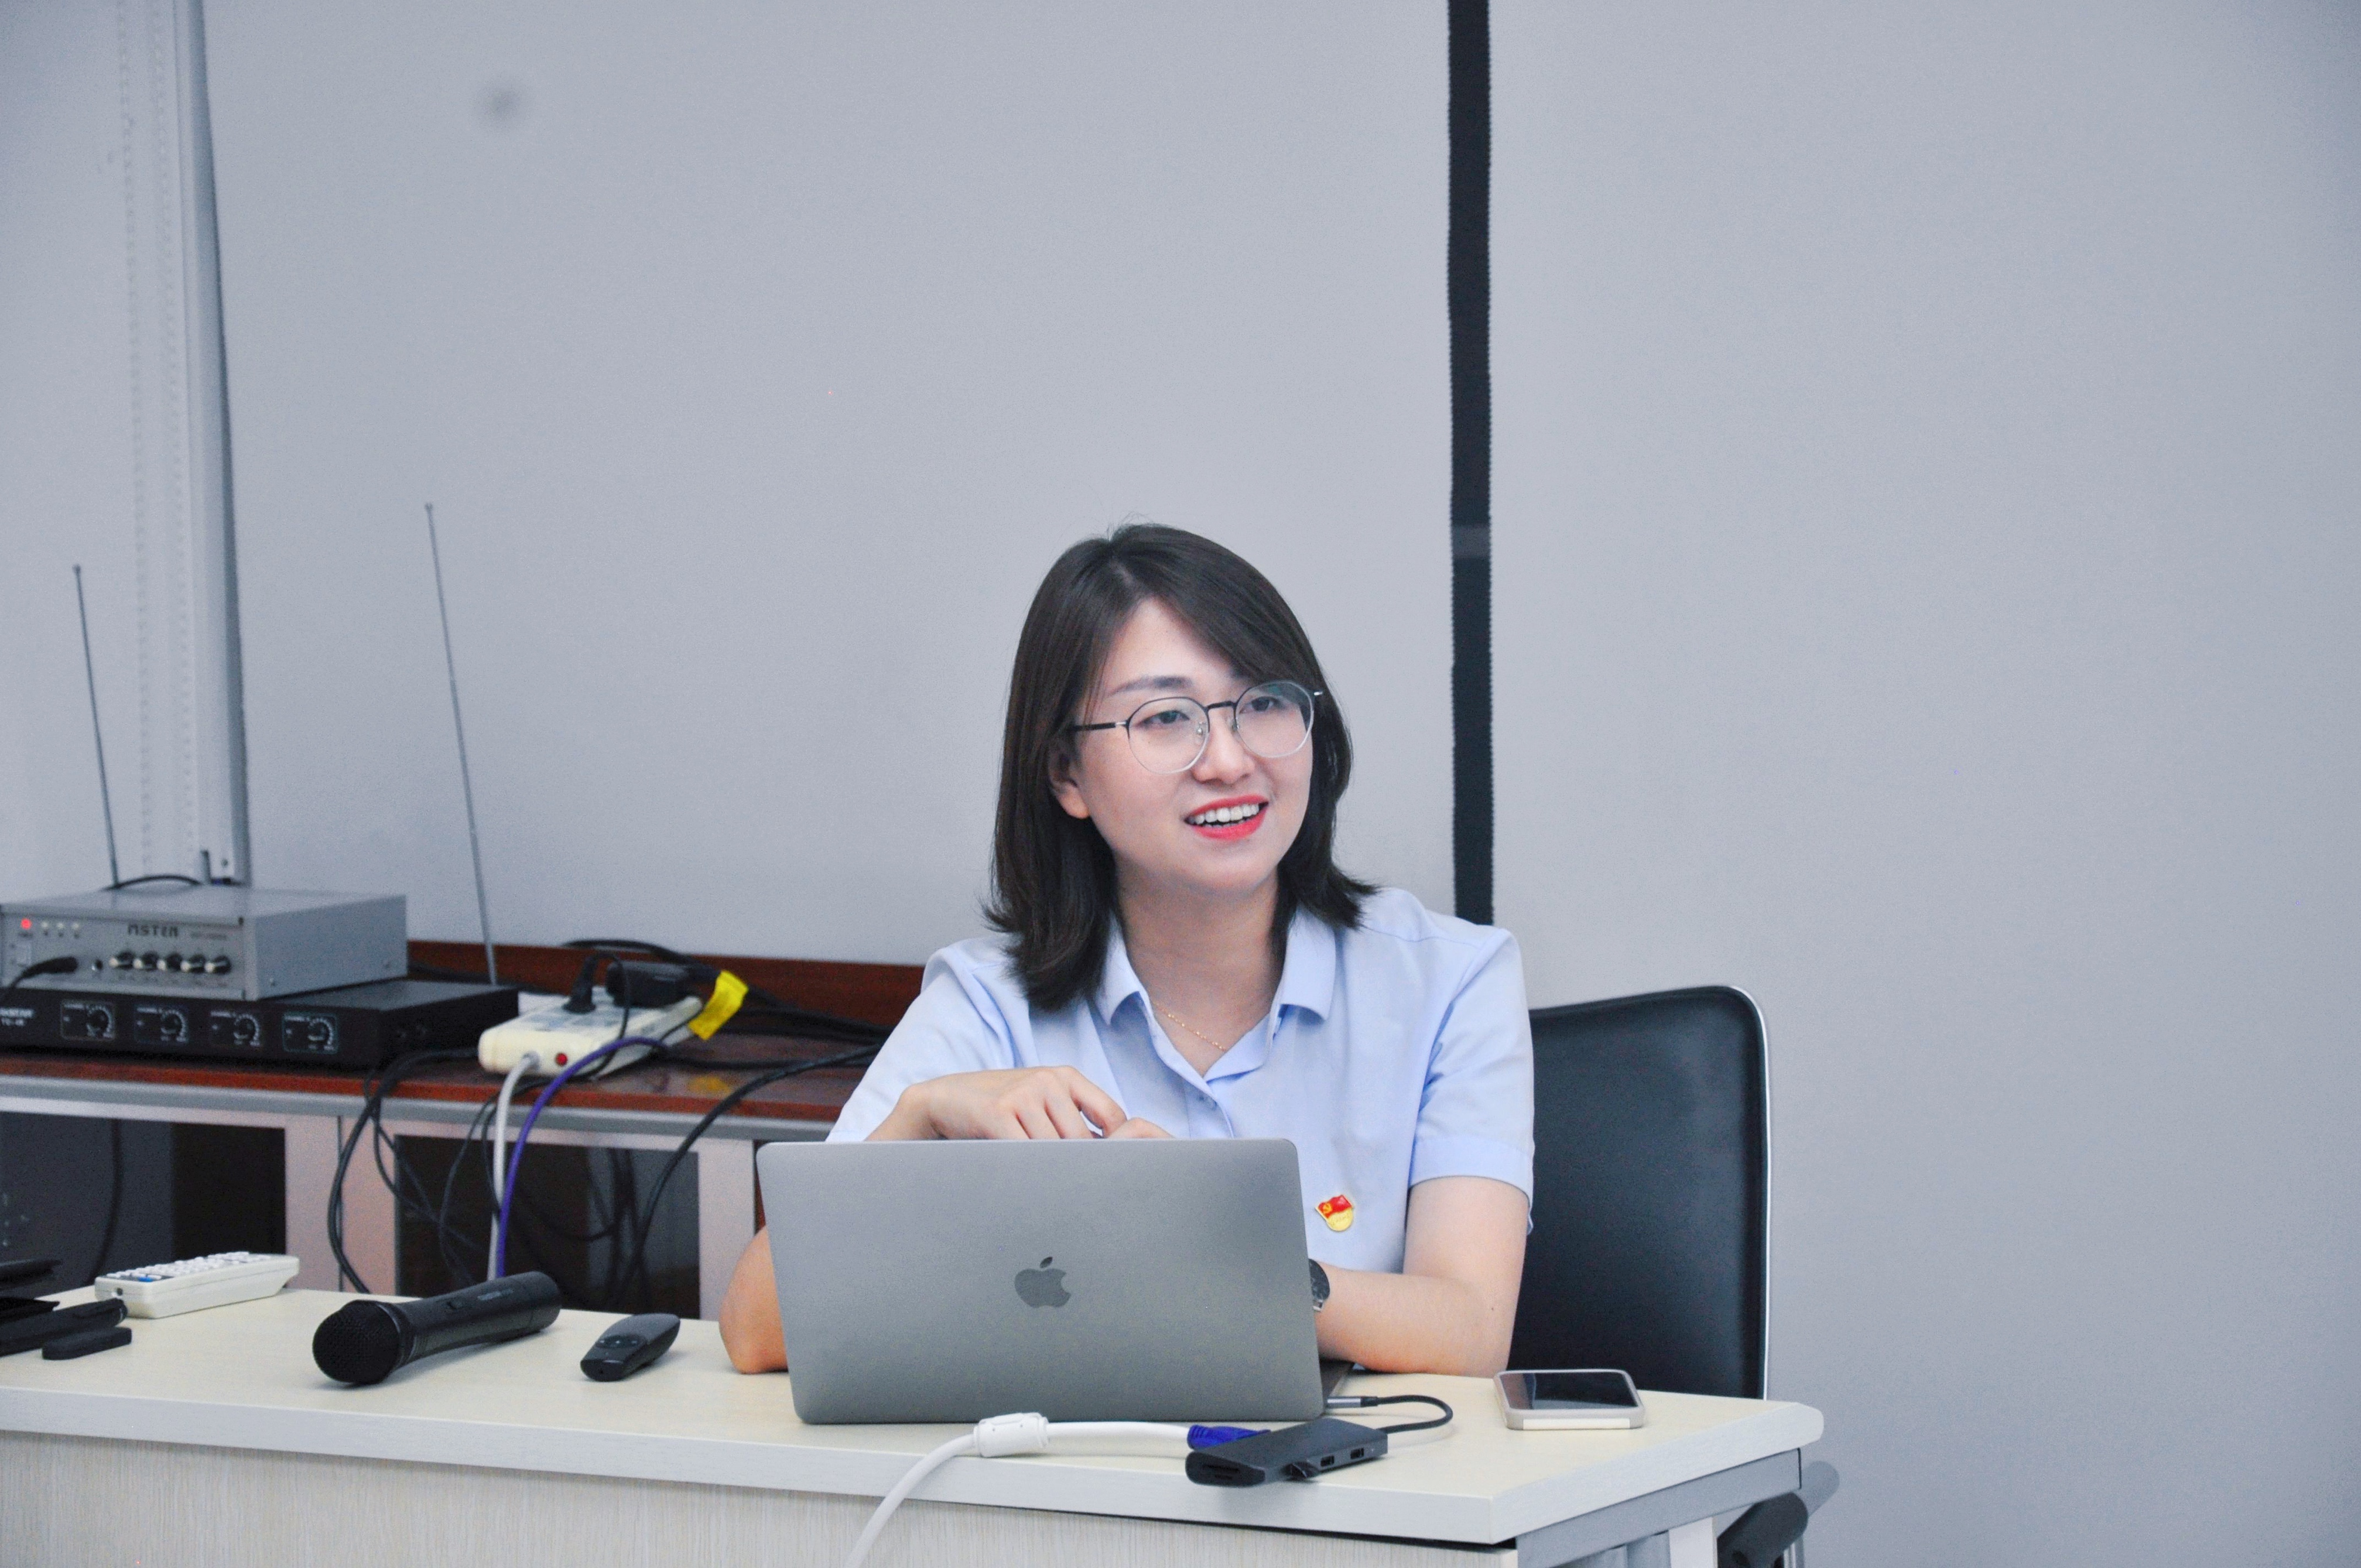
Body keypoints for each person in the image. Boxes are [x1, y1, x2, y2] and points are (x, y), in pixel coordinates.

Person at [719, 523, 1532, 1376]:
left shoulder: (1451, 980)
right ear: (1066, 773)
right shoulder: (987, 1002)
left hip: (1362, 1458)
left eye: (1263, 703)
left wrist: (1224, 1259)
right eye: (1166, 718)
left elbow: (1469, 1330)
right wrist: (914, 1122)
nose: (1229, 759)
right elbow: (757, 1329)